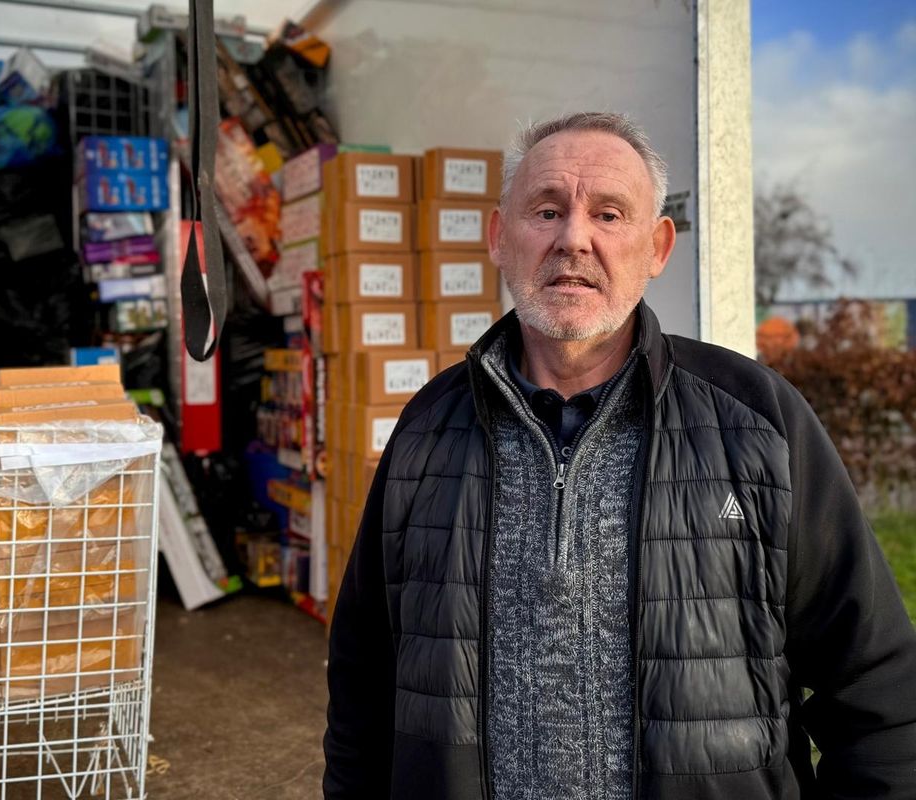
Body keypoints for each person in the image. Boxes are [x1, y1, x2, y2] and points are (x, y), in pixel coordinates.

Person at [323, 112, 916, 799]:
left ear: (658, 246)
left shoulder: (756, 422)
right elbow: (362, 684)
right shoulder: (427, 429)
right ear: (498, 237)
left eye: (609, 214)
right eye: (546, 210)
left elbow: (876, 691)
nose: (574, 237)